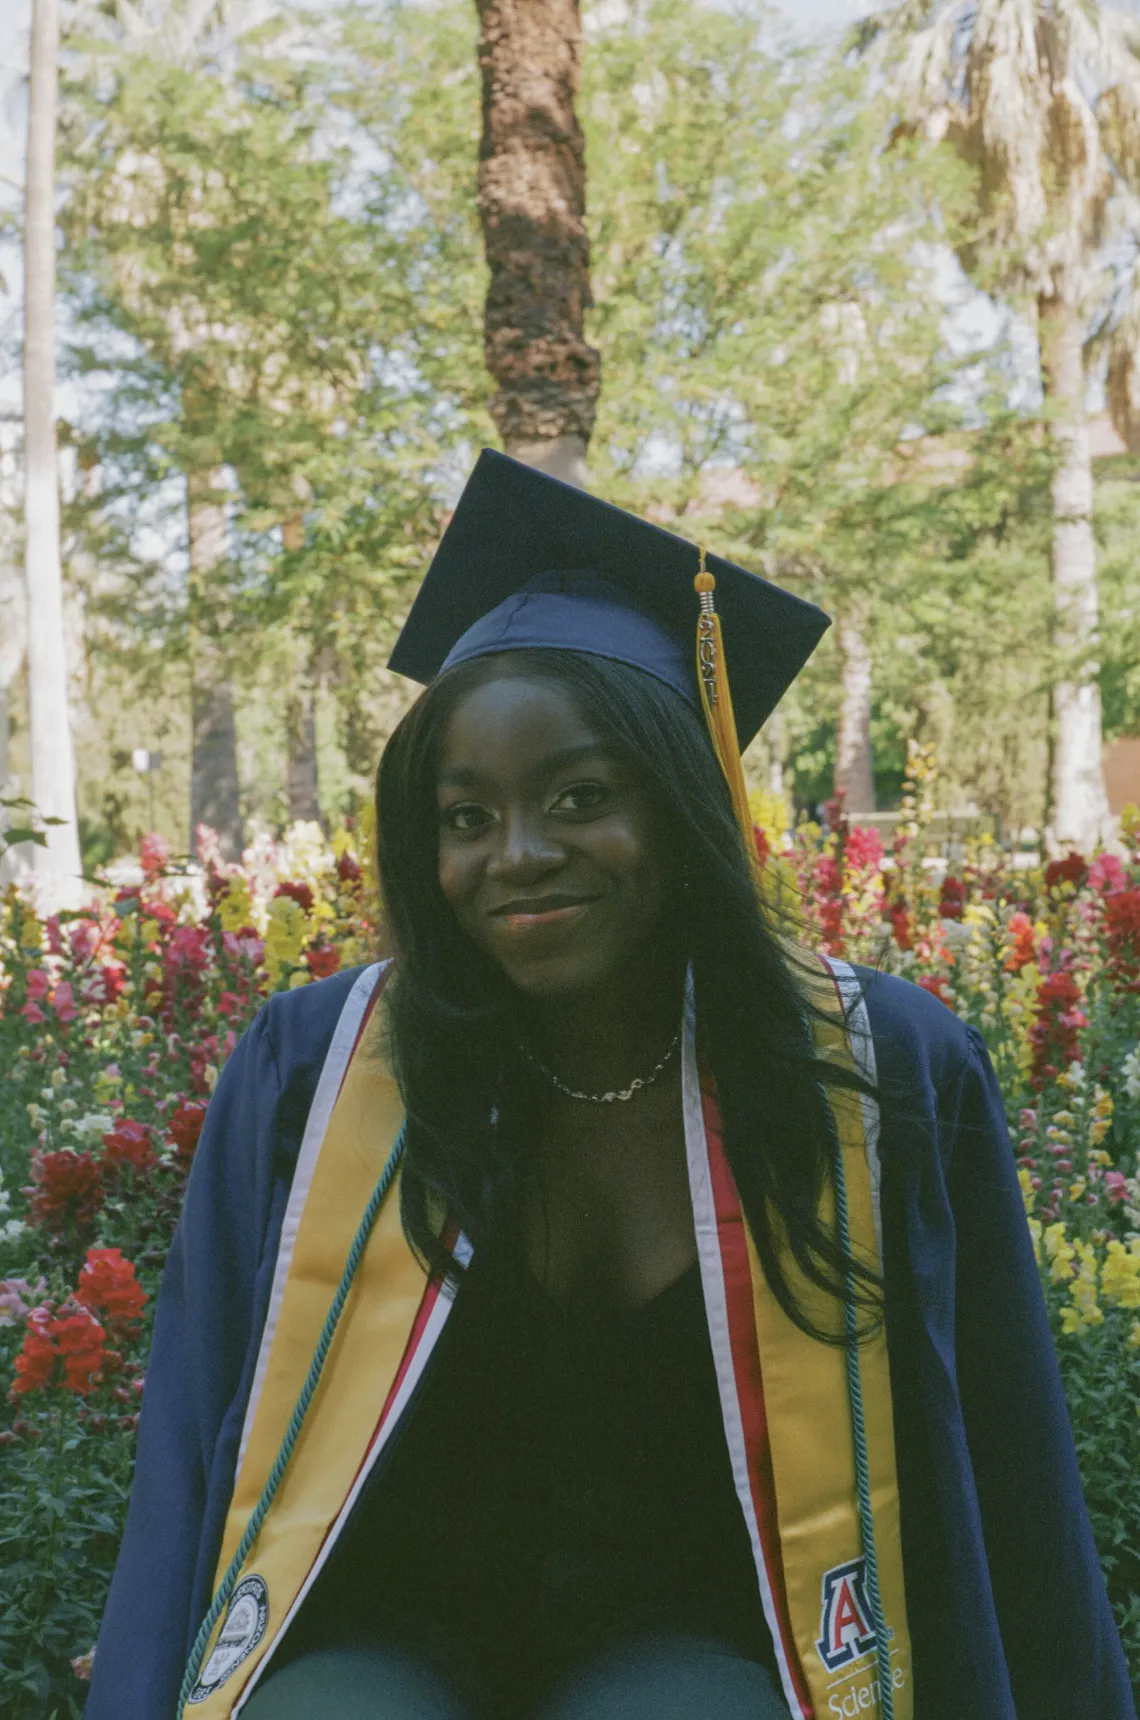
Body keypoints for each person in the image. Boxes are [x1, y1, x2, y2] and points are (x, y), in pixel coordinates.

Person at [85, 452, 1135, 1720]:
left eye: (581, 797)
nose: (517, 856)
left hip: (702, 1623)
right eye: (466, 817)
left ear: (681, 803)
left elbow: (1004, 1453)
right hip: (380, 1610)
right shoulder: (315, 1067)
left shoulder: (870, 1066)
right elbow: (196, 1438)